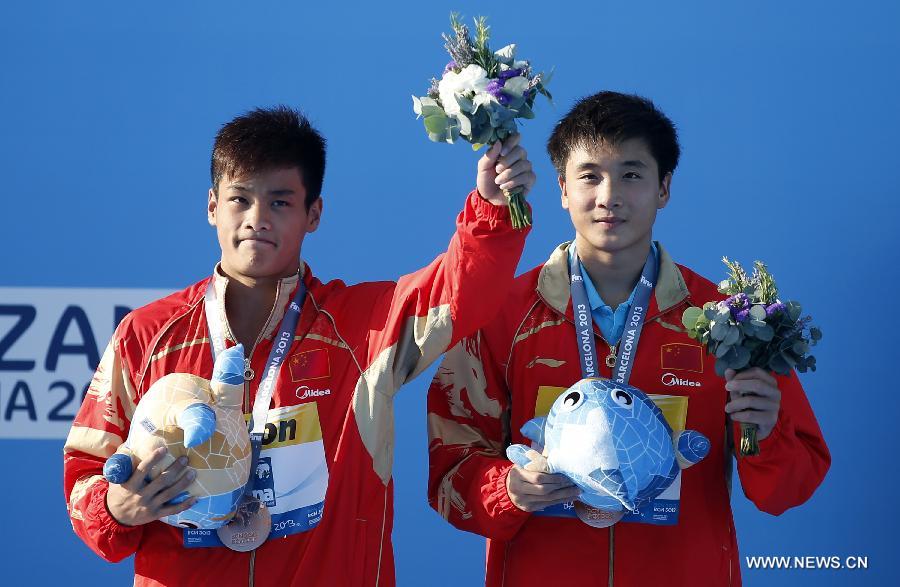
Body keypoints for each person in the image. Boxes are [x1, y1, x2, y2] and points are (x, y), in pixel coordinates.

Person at [64, 105, 536, 586]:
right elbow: (84, 474)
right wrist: (115, 508)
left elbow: (458, 293)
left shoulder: (362, 328)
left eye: (280, 203)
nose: (256, 219)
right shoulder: (147, 334)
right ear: (211, 206)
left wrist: (492, 210)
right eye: (239, 199)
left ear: (314, 214)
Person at [426, 91, 830, 586]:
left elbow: (787, 488)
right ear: (561, 188)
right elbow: (451, 463)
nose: (609, 196)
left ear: (664, 188)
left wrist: (764, 437)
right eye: (590, 175)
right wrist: (506, 487)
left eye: (632, 174)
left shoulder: (730, 325)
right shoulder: (501, 317)